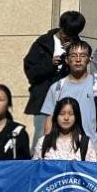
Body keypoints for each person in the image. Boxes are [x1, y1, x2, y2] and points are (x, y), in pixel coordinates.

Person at [40, 40, 97, 159]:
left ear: (89, 59)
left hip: (90, 151)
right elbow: (49, 120)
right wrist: (47, 148)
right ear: (67, 60)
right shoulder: (56, 88)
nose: (78, 60)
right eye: (73, 56)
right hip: (60, 152)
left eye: (83, 55)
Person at [22, 9, 87, 138]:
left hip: (70, 98)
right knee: (42, 136)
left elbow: (82, 74)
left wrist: (71, 54)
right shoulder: (43, 43)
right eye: (65, 34)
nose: (66, 38)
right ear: (61, 27)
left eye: (71, 36)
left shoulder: (79, 47)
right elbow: (32, 73)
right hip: (44, 97)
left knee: (70, 136)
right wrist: (50, 64)